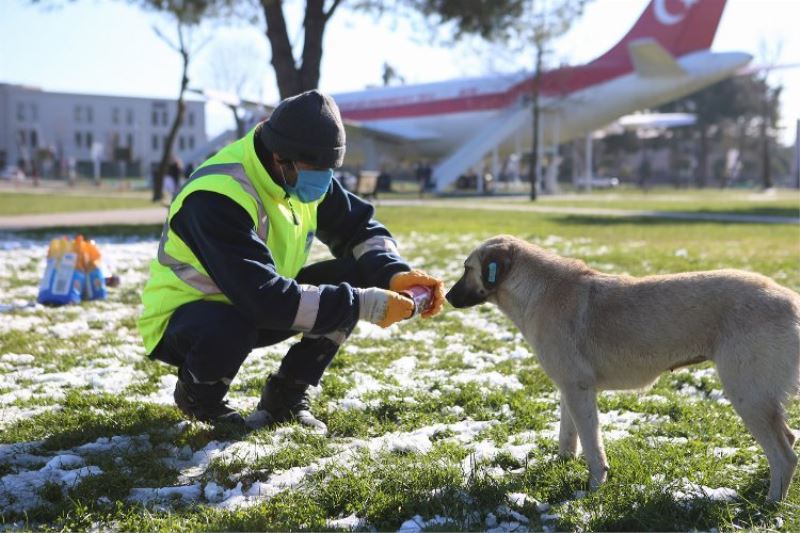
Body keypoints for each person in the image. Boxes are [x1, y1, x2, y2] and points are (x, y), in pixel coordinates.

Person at [137, 90, 445, 432]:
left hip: (258, 302)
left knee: (354, 276)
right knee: (236, 322)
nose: (325, 180)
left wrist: (393, 274)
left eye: (331, 168)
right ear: (279, 157)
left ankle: (286, 395)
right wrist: (361, 305)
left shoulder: (303, 171)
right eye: (318, 169)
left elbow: (360, 228)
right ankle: (199, 394)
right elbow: (263, 300)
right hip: (187, 318)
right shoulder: (216, 195)